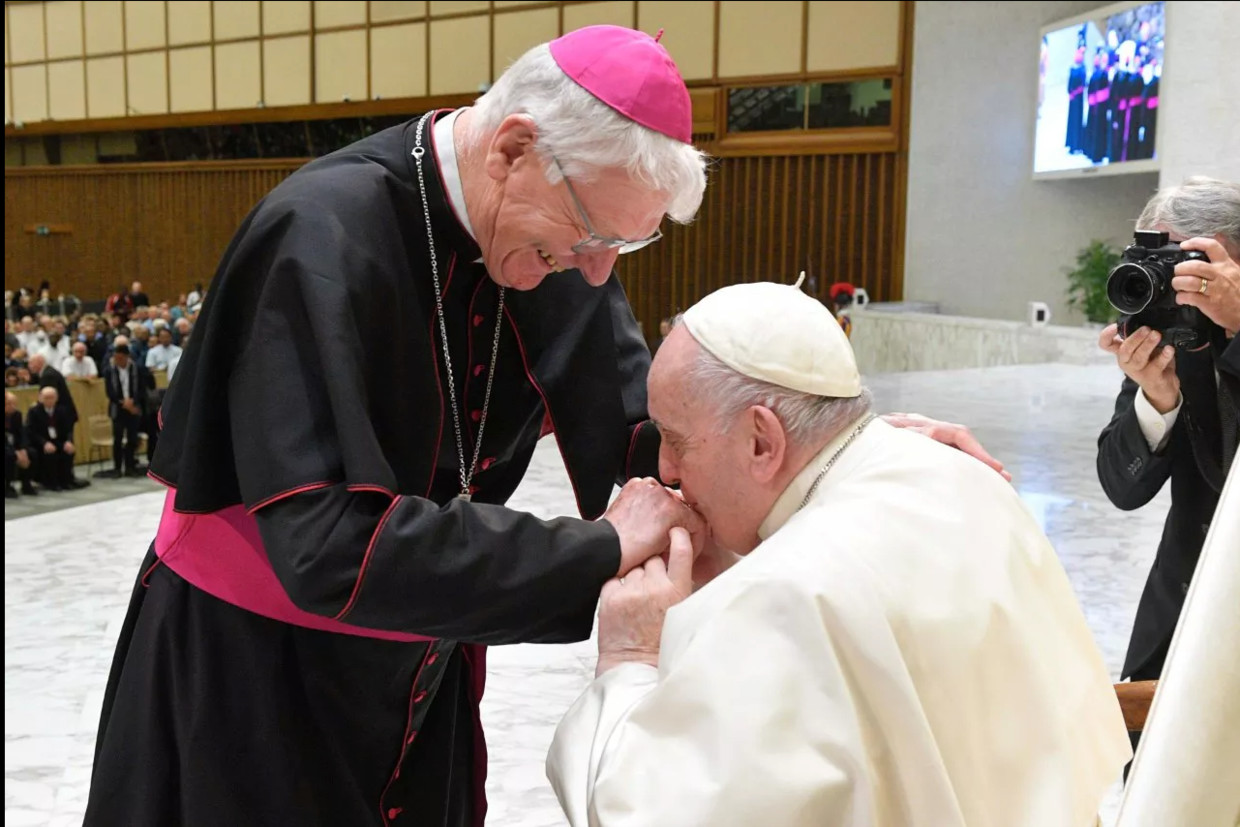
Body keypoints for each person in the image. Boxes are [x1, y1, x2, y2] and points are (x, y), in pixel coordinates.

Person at [85, 26, 1002, 827]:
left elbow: (656, 437)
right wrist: (596, 552)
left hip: (420, 671)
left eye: (622, 247)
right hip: (254, 682)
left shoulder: (553, 234)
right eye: (591, 235)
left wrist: (834, 456)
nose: (595, 275)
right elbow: (327, 544)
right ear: (515, 148)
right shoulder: (319, 237)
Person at [547, 281, 1130, 827]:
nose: (666, 470)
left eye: (674, 441)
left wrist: (631, 657)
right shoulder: (958, 470)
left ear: (761, 441)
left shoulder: (785, 595)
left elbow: (646, 812)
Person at [1096, 177, 1239, 754]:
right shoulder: (1161, 333)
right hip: (1181, 615)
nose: (1176, 285)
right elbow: (1121, 488)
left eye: (1190, 263)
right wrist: (1158, 403)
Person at [101, 344, 147, 478]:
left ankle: (130, 466)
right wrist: (123, 403)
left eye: (120, 358)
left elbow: (142, 389)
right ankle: (117, 467)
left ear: (127, 357)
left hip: (134, 406)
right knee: (118, 439)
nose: (117, 360)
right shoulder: (109, 370)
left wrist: (133, 402)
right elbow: (109, 392)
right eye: (115, 358)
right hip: (118, 408)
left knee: (133, 438)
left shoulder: (137, 369)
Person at [26, 386, 79, 491]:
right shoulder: (34, 411)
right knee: (50, 453)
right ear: (40, 398)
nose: (49, 400)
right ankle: (52, 482)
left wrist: (68, 441)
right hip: (41, 442)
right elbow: (31, 431)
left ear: (56, 398)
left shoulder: (62, 410)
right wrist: (44, 443)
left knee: (68, 451)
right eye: (46, 398)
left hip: (59, 440)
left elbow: (68, 429)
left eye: (51, 397)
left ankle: (66, 480)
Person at [5, 391, 37, 498]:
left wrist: (23, 449)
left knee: (31, 453)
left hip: (15, 445)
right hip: (6, 447)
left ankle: (26, 483)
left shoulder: (17, 415)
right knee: (10, 456)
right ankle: (8, 486)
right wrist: (15, 452)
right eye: (9, 404)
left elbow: (22, 433)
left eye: (14, 403)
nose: (12, 406)